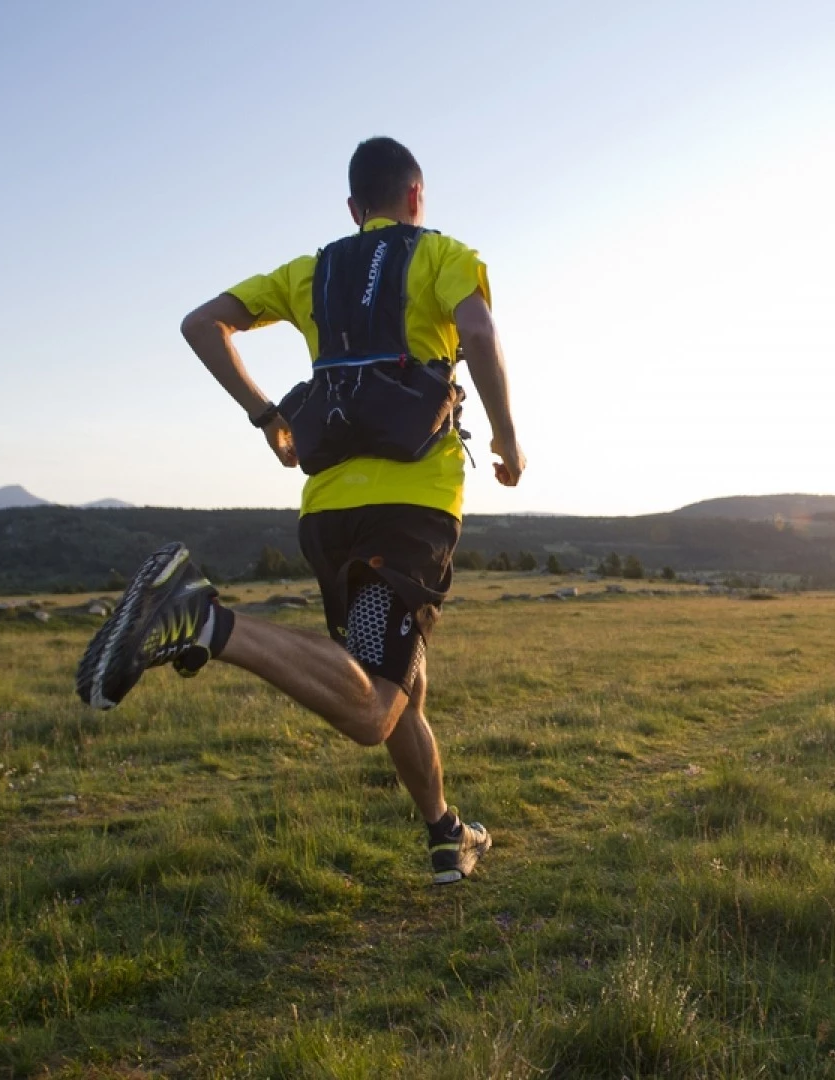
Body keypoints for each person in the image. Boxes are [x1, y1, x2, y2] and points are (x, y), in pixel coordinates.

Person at [75, 137, 524, 886]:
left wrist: (265, 416)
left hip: (327, 514)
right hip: (409, 509)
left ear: (354, 209)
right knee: (373, 706)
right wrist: (508, 444)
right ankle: (204, 619)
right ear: (417, 196)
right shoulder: (444, 253)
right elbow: (477, 332)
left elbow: (201, 323)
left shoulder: (311, 272)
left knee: (404, 684)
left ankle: (447, 833)